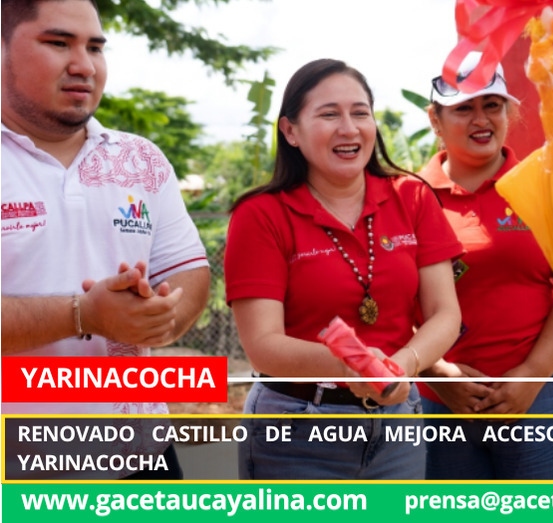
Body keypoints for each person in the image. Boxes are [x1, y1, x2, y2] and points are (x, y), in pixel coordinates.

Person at [0, 0, 211, 479]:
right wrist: (84, 313)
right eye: (58, 43)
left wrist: (160, 315)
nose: (84, 65)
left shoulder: (141, 159)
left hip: (141, 458)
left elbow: (188, 270)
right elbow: (89, 310)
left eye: (95, 47)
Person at [224, 58, 462, 480]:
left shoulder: (413, 197)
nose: (349, 128)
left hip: (398, 420)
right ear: (290, 132)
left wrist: (402, 365)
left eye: (360, 112)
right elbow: (262, 344)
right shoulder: (260, 215)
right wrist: (349, 367)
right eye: (329, 114)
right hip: (296, 427)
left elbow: (445, 313)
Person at [417, 52, 553, 480]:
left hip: (537, 396)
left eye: (491, 105)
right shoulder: (409, 195)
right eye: (464, 108)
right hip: (439, 398)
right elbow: (387, 296)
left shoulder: (542, 185)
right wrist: (436, 372)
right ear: (436, 119)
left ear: (509, 112)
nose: (481, 118)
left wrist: (532, 375)